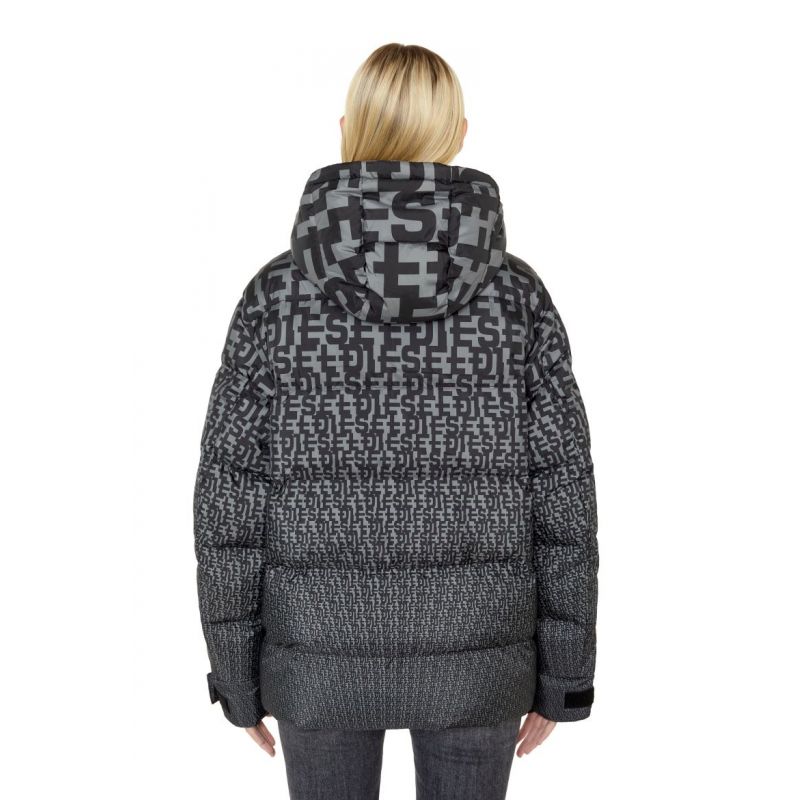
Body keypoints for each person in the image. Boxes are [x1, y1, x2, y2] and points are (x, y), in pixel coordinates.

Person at [193, 42, 599, 800]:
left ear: (347, 128)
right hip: (480, 660)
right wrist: (564, 676)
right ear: (459, 134)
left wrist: (236, 677)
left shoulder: (276, 298)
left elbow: (229, 504)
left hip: (317, 659)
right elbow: (564, 497)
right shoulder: (516, 300)